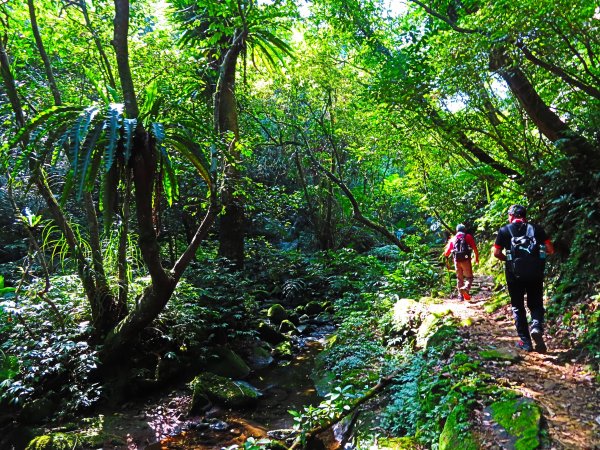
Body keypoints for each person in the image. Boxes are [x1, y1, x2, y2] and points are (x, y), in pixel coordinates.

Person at [493, 205, 555, 352]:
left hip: (514, 276)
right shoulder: (537, 229)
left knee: (518, 306)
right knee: (536, 303)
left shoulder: (504, 230)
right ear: (524, 216)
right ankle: (536, 326)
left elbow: (496, 253)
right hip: (535, 273)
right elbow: (550, 250)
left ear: (512, 216)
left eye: (509, 214)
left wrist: (508, 260)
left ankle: (526, 342)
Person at [444, 224, 480, 301]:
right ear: (464, 230)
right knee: (469, 277)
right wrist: (476, 258)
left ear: (457, 230)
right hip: (466, 260)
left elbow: (446, 253)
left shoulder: (453, 239)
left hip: (456, 261)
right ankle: (466, 289)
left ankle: (460, 296)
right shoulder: (467, 236)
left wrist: (447, 262)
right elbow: (474, 248)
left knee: (459, 278)